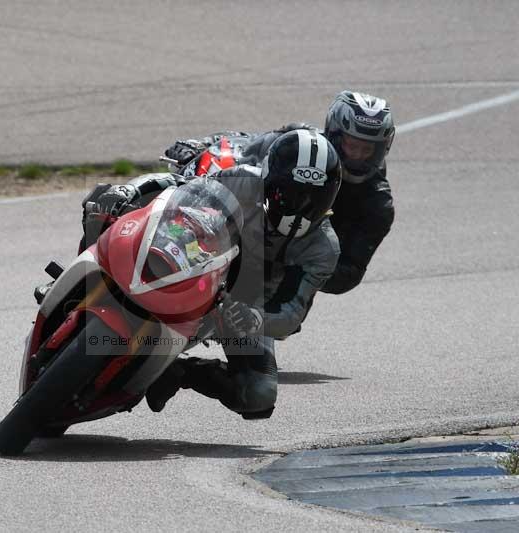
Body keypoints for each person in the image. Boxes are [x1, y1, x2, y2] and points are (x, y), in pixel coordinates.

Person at [83, 130, 342, 418]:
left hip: (244, 307)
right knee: (101, 202)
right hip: (199, 256)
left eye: (313, 198)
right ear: (269, 179)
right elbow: (177, 187)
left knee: (258, 394)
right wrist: (130, 189)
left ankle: (180, 372)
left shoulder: (324, 249)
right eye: (289, 194)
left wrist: (255, 318)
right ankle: (82, 279)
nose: (300, 206)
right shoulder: (243, 180)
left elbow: (291, 312)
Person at [164, 90, 395, 295]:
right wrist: (201, 146)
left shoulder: (378, 206)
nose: (357, 156)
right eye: (352, 145)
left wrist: (297, 261)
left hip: (286, 269)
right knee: (186, 194)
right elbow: (248, 142)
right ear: (334, 133)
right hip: (252, 222)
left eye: (367, 150)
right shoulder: (302, 143)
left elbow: (349, 273)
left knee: (267, 323)